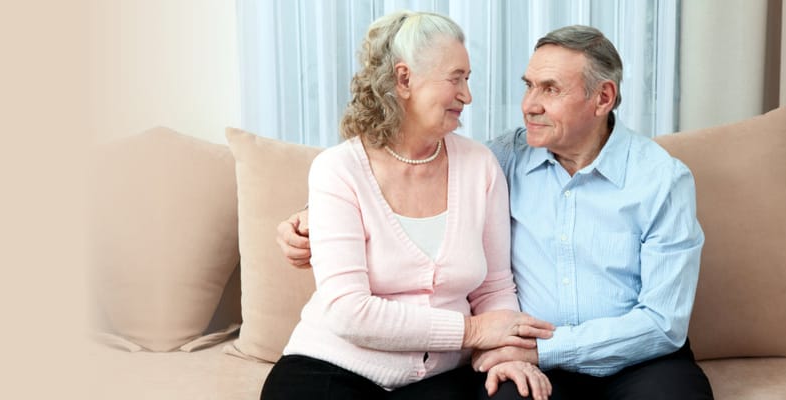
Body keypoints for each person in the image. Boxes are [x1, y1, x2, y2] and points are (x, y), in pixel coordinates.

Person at [279, 25, 714, 399]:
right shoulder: (505, 157)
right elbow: (415, 175)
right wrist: (311, 215)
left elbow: (663, 324)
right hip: (530, 359)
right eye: (529, 85)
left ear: (603, 98)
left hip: (636, 359)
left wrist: (539, 348)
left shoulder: (662, 181)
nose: (529, 105)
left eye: (550, 89)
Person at [260, 11, 556, 400]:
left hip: (442, 379)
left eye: (468, 79)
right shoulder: (338, 170)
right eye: (456, 78)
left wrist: (503, 353)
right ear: (404, 79)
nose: (467, 95)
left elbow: (493, 287)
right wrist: (473, 332)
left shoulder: (479, 165)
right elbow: (349, 312)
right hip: (332, 367)